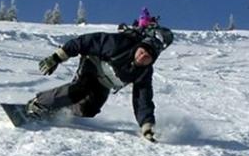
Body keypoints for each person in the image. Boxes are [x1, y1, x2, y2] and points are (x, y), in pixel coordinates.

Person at [26, 22, 174, 141]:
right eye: (141, 52)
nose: (142, 57)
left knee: (89, 109)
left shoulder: (144, 73)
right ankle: (38, 104)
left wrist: (147, 126)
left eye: (147, 57)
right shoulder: (118, 43)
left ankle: (60, 109)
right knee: (81, 89)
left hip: (105, 83)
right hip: (93, 65)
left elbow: (143, 100)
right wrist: (57, 57)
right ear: (138, 48)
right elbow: (85, 42)